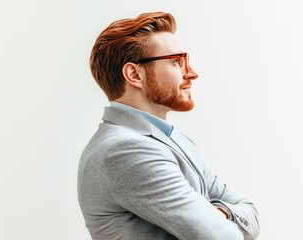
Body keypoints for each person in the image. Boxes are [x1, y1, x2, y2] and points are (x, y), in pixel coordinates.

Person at [77, 11, 260, 240]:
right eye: (176, 62)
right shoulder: (124, 150)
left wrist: (219, 213)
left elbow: (250, 211)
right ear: (134, 74)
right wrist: (215, 216)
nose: (192, 73)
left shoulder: (175, 141)